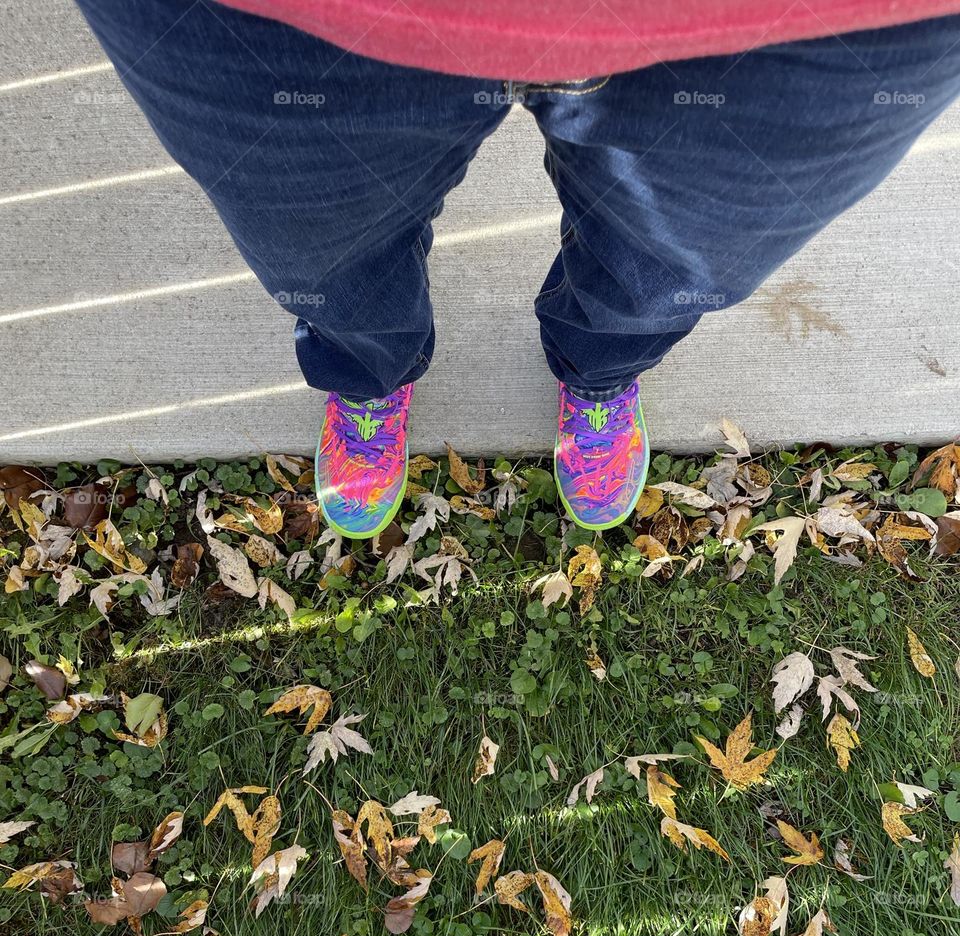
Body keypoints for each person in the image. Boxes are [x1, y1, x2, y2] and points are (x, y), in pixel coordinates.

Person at [75, 0, 960, 537]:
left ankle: (600, 373)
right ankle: (366, 375)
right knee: (322, 257)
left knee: (671, 265)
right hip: (281, 21)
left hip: (826, 31)